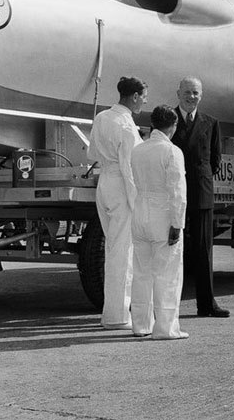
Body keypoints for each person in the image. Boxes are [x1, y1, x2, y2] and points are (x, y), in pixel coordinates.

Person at [87, 76, 147, 329]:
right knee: (122, 253)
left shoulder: (102, 117)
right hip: (121, 185)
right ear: (134, 96)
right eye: (143, 97)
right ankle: (118, 316)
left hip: (104, 183)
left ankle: (111, 312)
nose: (144, 102)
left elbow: (91, 152)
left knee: (113, 249)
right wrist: (138, 203)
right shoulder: (125, 124)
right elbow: (129, 167)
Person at [172, 77, 229, 317]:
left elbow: (215, 159)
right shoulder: (167, 119)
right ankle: (165, 306)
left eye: (195, 93)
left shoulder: (211, 123)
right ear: (178, 94)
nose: (191, 97)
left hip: (201, 192)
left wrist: (199, 178)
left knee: (204, 251)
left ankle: (206, 304)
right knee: (170, 249)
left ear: (201, 96)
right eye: (187, 92)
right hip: (173, 191)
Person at [130, 106, 188, 339]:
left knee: (141, 273)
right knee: (167, 273)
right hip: (162, 214)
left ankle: (141, 325)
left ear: (153, 124)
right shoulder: (172, 151)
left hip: (140, 212)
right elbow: (177, 191)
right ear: (173, 126)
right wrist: (177, 223)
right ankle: (165, 328)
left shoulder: (138, 150)